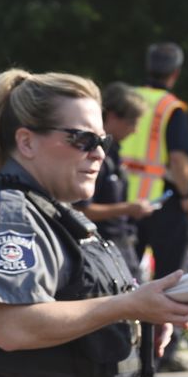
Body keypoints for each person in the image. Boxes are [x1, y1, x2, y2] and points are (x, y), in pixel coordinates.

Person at [0, 69, 188, 377]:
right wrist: (126, 305)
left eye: (102, 141)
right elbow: (13, 327)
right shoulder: (8, 214)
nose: (98, 154)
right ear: (27, 142)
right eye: (81, 139)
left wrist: (140, 317)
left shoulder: (51, 211)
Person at [120, 42, 188, 372]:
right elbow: (178, 159)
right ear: (175, 74)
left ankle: (123, 340)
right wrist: (186, 193)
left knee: (123, 274)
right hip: (163, 203)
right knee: (170, 277)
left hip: (124, 203)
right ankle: (165, 351)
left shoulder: (126, 98)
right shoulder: (171, 107)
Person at [74, 82, 152, 278]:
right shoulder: (95, 158)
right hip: (99, 249)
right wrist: (128, 208)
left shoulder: (115, 156)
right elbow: (81, 210)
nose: (134, 130)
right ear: (112, 116)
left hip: (121, 247)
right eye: (132, 122)